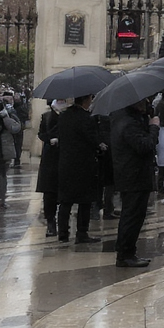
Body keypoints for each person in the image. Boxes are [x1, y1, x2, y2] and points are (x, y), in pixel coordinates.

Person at [110, 99, 159, 268]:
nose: (146, 103)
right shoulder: (128, 123)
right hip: (134, 176)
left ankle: (127, 251)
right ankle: (125, 253)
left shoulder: (126, 118)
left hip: (132, 175)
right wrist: (154, 127)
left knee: (133, 215)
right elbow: (145, 145)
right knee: (132, 216)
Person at [55, 95, 105, 244]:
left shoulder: (64, 116)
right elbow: (92, 139)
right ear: (86, 100)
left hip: (66, 163)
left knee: (65, 201)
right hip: (84, 164)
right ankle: (82, 233)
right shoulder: (86, 118)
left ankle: (63, 233)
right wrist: (100, 146)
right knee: (85, 201)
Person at [35, 100, 63, 236]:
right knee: (49, 193)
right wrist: (49, 138)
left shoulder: (67, 116)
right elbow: (41, 133)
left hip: (63, 156)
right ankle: (51, 222)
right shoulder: (46, 116)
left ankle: (62, 223)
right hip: (49, 157)